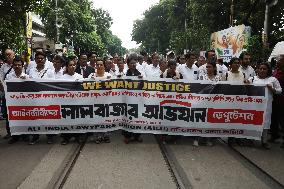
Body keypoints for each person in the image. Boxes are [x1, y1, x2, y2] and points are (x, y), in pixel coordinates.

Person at [246, 62, 282, 149]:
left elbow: (279, 91)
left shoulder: (273, 79)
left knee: (265, 123)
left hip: (267, 106)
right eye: (260, 68)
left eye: (264, 69)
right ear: (257, 69)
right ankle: (252, 139)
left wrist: (272, 89)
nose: (262, 70)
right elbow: (246, 87)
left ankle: (264, 141)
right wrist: (246, 84)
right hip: (254, 105)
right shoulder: (253, 79)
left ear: (268, 70)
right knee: (253, 122)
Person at [28, 51, 55, 145]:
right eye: (38, 58)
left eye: (41, 58)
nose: (40, 60)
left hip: (47, 99)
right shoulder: (31, 71)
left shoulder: (50, 72)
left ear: (45, 60)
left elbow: (53, 85)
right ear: (35, 60)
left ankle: (49, 136)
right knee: (35, 118)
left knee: (48, 118)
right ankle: (35, 136)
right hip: (34, 100)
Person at [5, 56, 30, 144]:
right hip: (12, 102)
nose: (17, 66)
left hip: (23, 102)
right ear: (13, 66)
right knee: (13, 119)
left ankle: (25, 135)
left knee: (24, 118)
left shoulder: (27, 76)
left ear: (22, 66)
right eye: (15, 65)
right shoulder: (8, 76)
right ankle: (14, 136)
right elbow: (6, 88)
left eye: (19, 65)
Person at [197, 61, 221, 146]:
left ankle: (209, 139)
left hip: (214, 103)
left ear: (214, 68)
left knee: (211, 121)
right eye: (207, 67)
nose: (208, 68)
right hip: (203, 103)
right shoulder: (202, 77)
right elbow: (198, 89)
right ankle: (200, 138)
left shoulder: (219, 78)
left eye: (210, 67)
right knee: (202, 120)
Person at [60, 59, 84, 145]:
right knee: (66, 120)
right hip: (66, 102)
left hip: (77, 102)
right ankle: (66, 138)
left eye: (74, 65)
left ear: (76, 66)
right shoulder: (62, 78)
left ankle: (77, 136)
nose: (72, 67)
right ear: (66, 67)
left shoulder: (80, 76)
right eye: (70, 65)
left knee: (77, 120)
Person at [88, 59, 112, 144]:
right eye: (97, 65)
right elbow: (87, 87)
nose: (99, 66)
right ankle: (97, 136)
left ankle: (106, 135)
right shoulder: (91, 76)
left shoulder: (108, 75)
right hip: (95, 101)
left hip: (106, 101)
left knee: (105, 118)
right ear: (95, 66)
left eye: (101, 65)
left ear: (104, 66)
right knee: (96, 119)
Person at [122, 53, 144, 144]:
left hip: (137, 99)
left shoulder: (139, 74)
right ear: (128, 64)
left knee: (136, 117)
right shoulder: (125, 74)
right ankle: (127, 136)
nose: (133, 64)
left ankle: (137, 136)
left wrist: (141, 80)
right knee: (128, 118)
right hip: (127, 99)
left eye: (135, 63)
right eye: (131, 63)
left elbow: (143, 87)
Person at [269, 55, 284, 148]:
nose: (277, 62)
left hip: (282, 99)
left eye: (280, 60)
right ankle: (274, 135)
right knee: (273, 118)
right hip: (274, 99)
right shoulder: (275, 71)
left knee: (282, 120)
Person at [0, 49, 15, 139]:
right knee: (8, 112)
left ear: (13, 55)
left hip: (18, 95)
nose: (8, 56)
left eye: (9, 54)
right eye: (6, 55)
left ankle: (21, 131)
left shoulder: (19, 64)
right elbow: (1, 79)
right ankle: (9, 131)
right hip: (7, 93)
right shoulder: (3, 67)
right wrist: (4, 89)